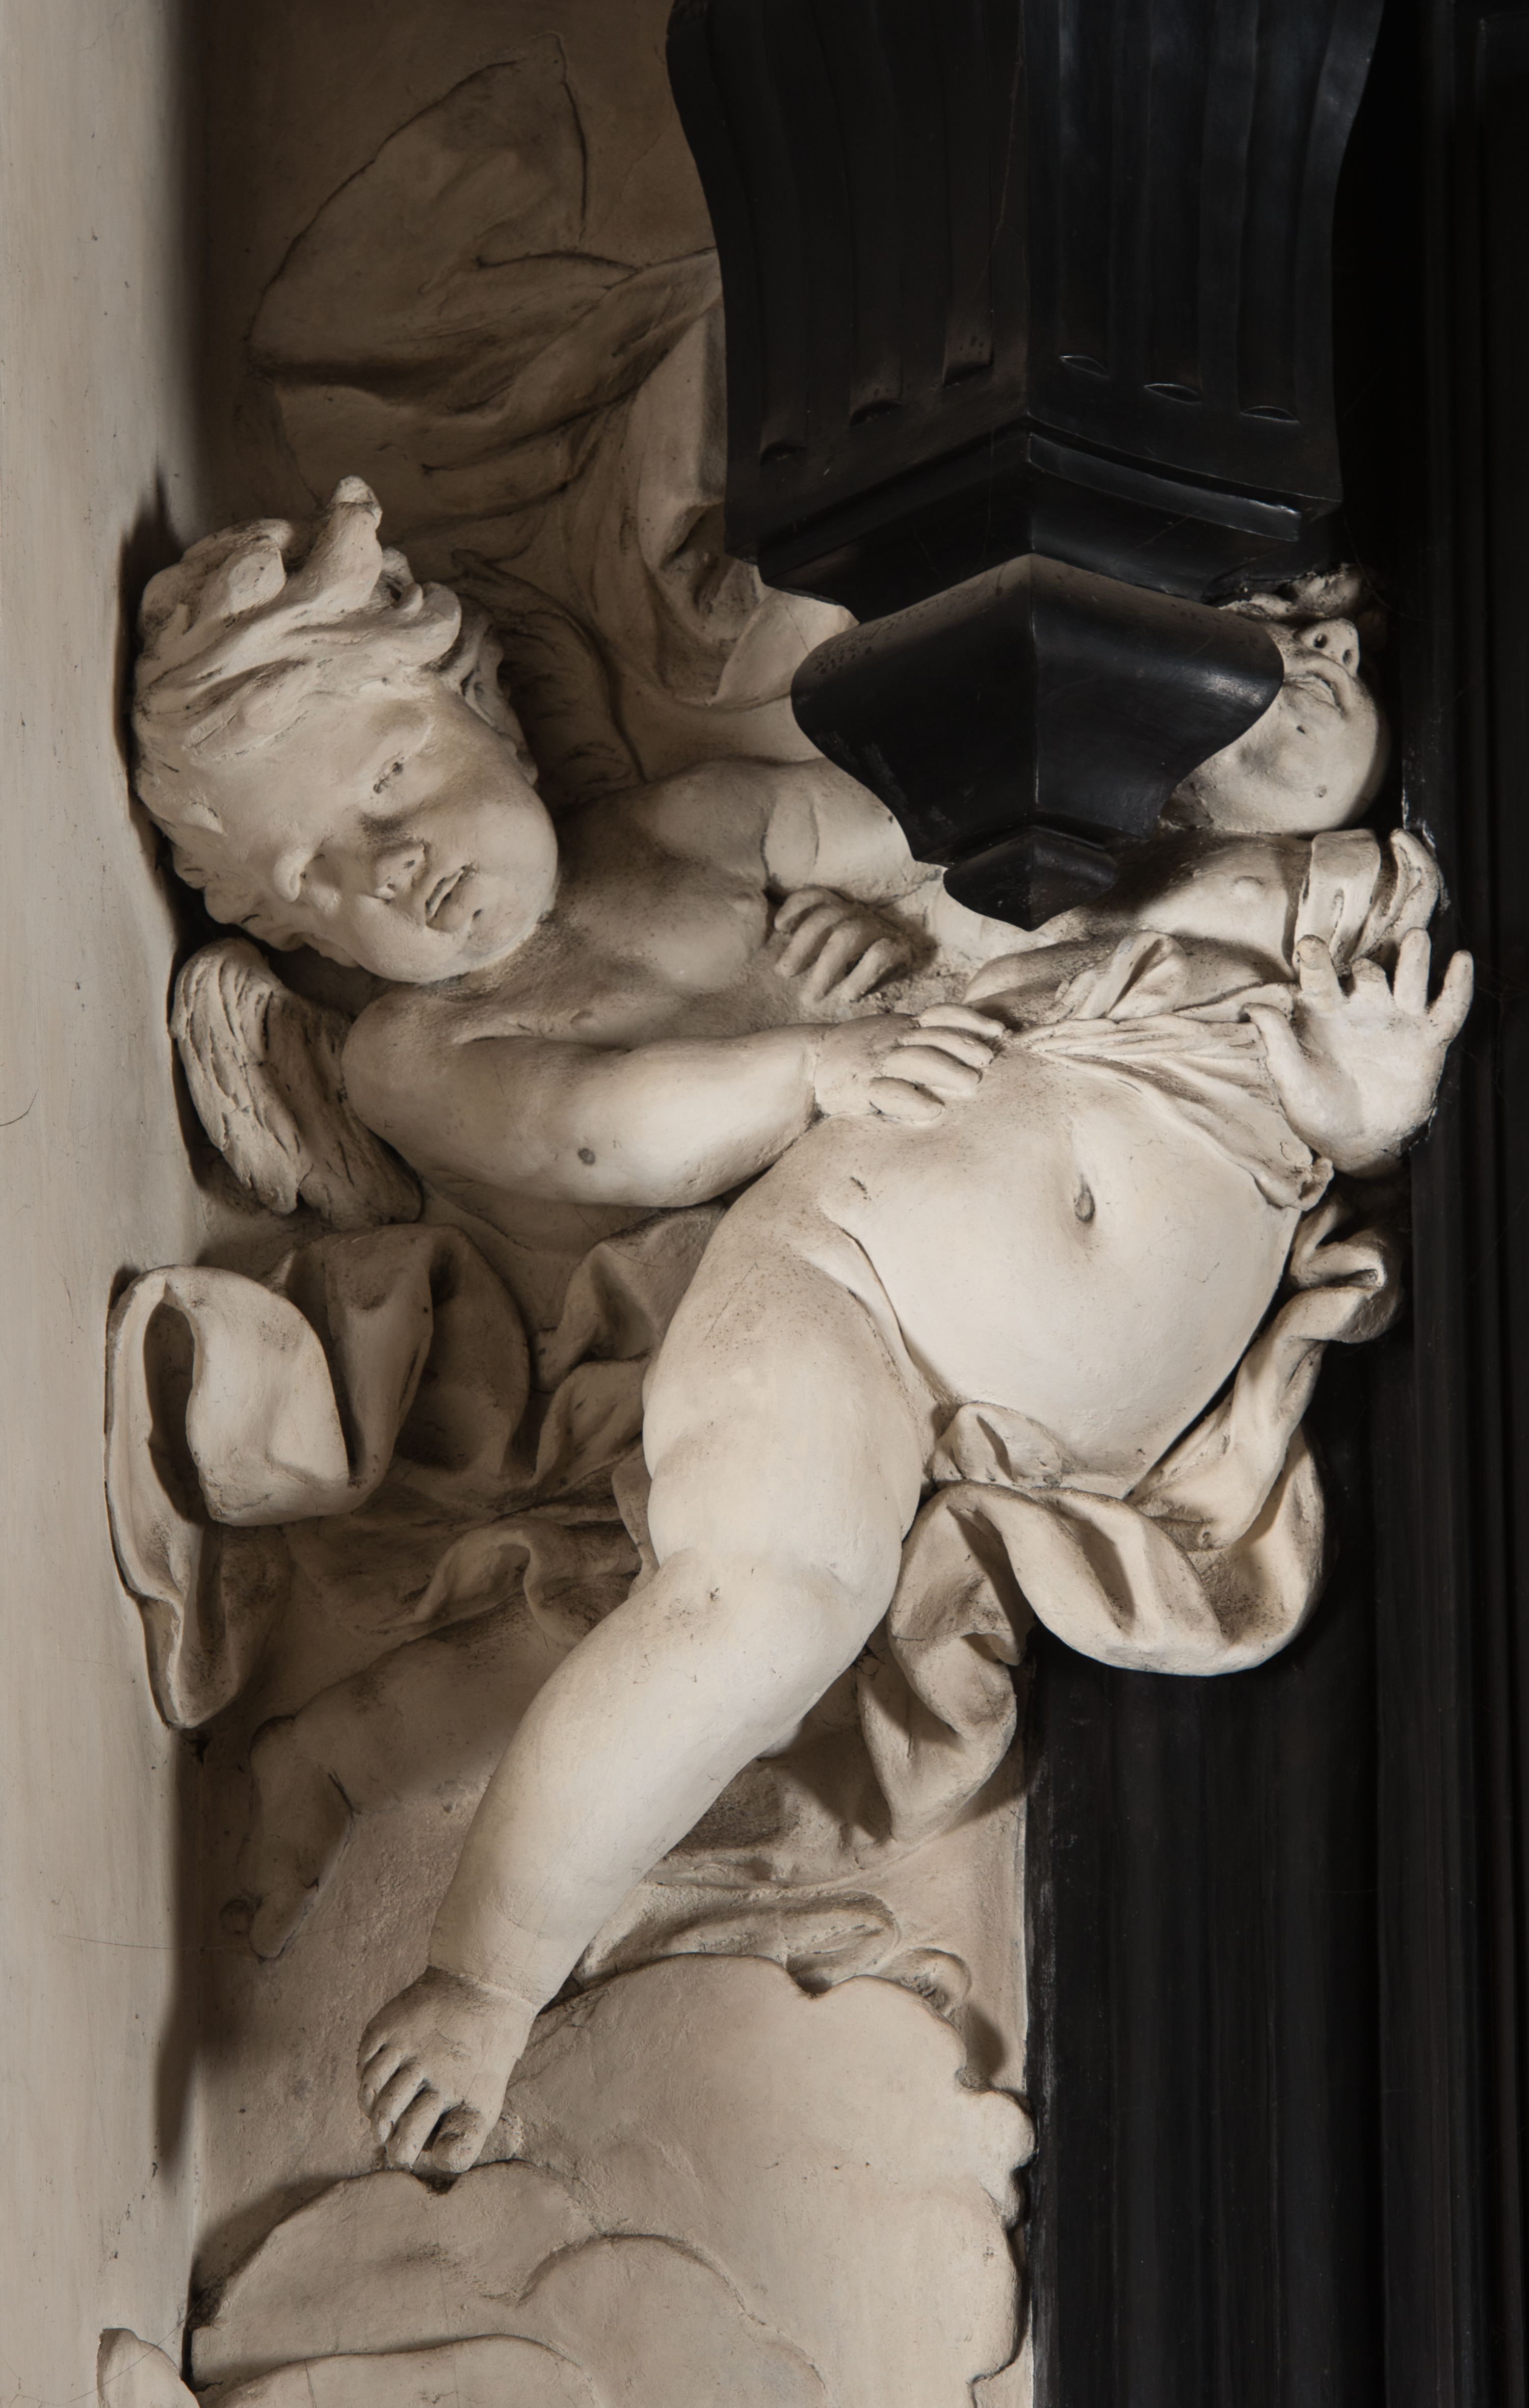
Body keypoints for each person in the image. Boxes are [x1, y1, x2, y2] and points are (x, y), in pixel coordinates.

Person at [134, 480, 1471, 2178]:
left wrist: (913, 923)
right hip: (799, 1287)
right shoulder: (411, 1053)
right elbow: (596, 1136)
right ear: (295, 937)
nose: (389, 863)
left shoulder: (683, 828)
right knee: (762, 1602)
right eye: (319, 878)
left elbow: (948, 841)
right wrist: (809, 1062)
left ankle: (359, 1763)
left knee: (665, 1610)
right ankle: (484, 1974)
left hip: (1007, 1145)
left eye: (390, 776)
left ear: (479, 706)